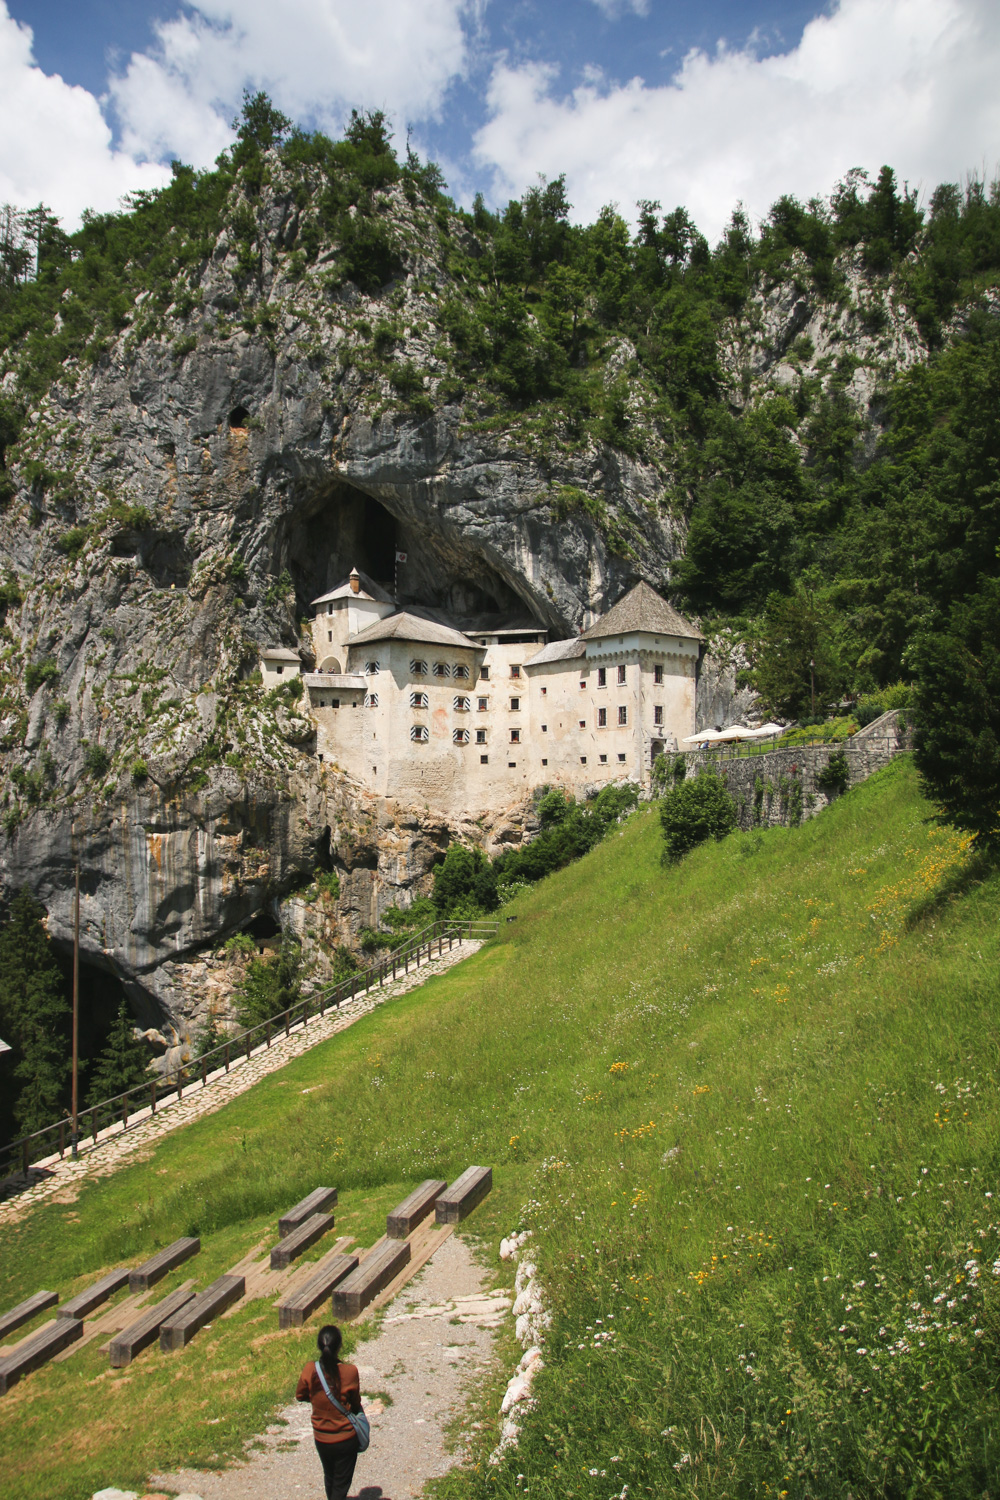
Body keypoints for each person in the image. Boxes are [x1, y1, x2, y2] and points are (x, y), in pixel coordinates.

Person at [296, 1324, 362, 1500]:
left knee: (330, 1477)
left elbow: (300, 1395)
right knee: (341, 1484)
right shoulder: (350, 1371)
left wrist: (319, 1400)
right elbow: (355, 1403)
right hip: (345, 1437)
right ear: (339, 1346)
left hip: (322, 1437)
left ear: (319, 1346)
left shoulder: (310, 1369)